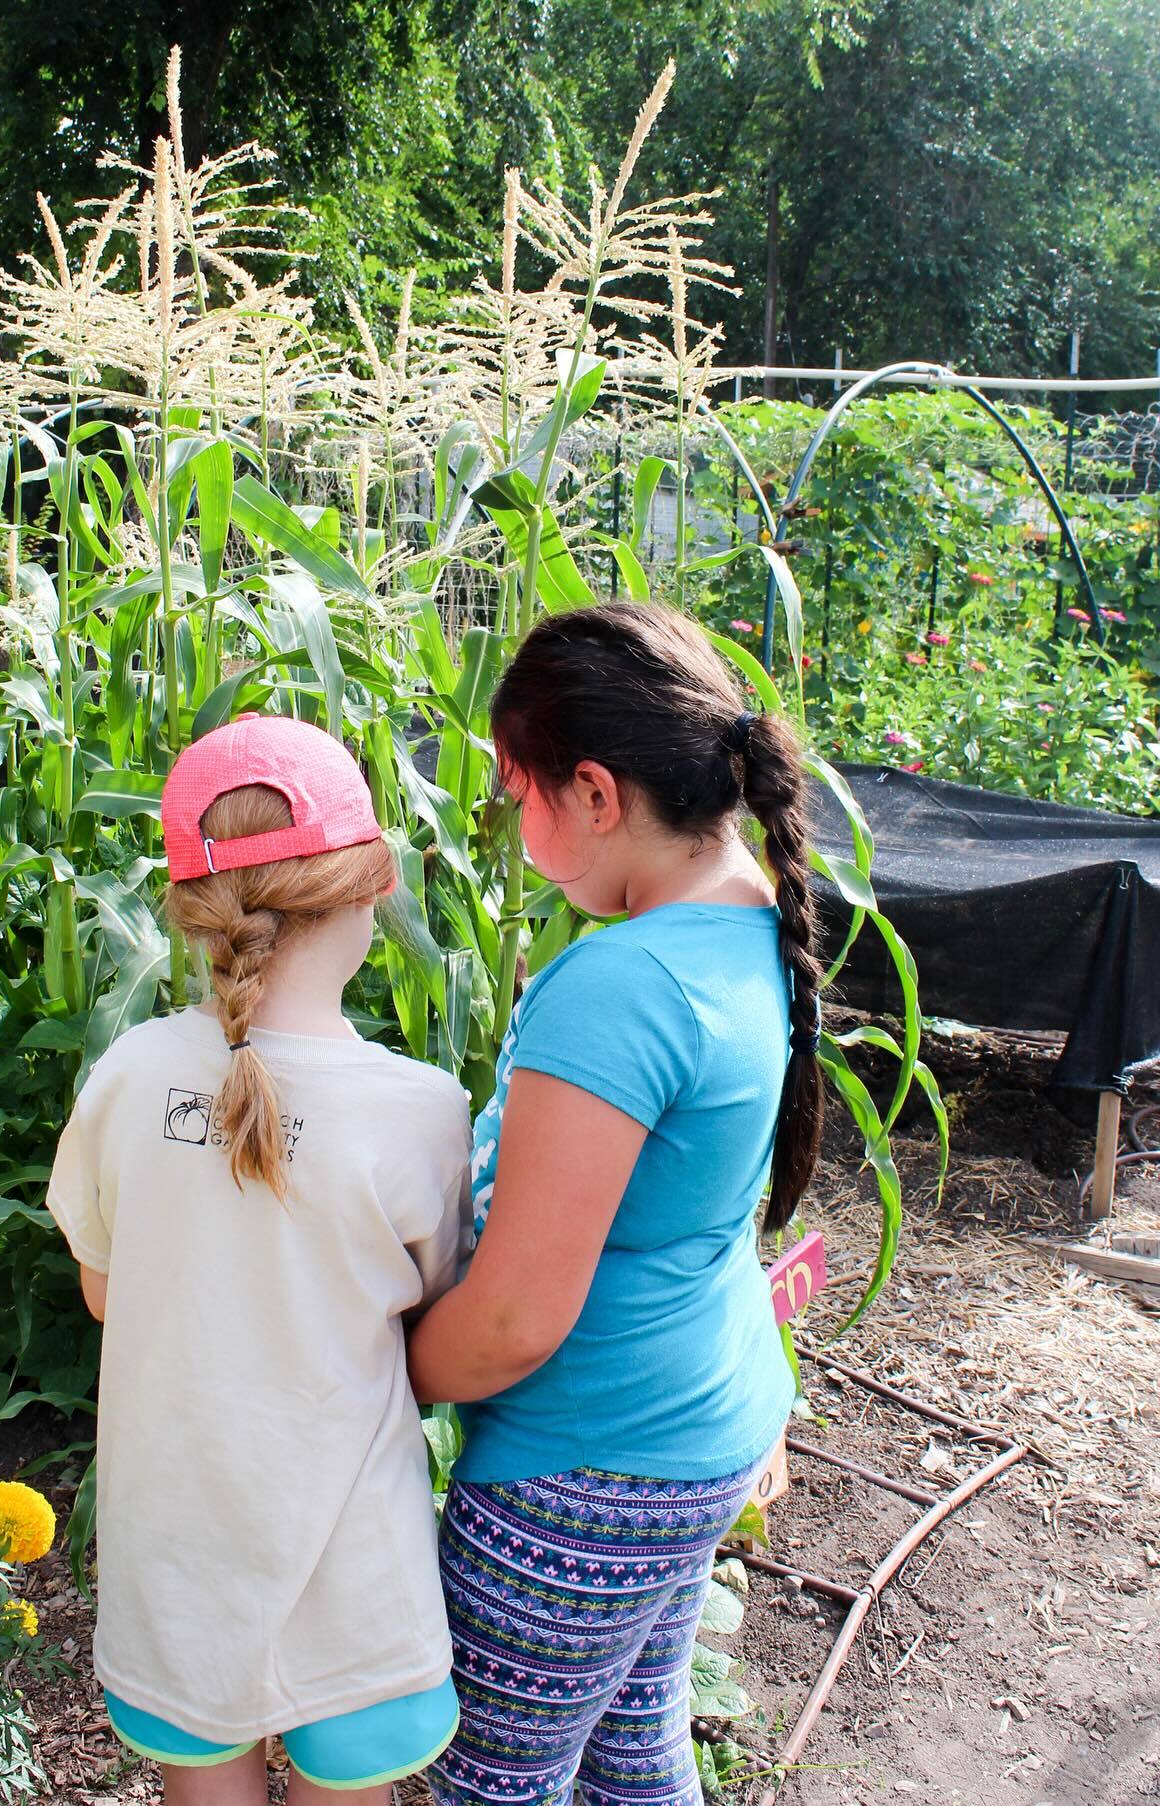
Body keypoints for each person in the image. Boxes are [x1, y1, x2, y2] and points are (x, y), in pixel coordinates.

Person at [407, 602, 819, 1806]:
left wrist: (371, 1374)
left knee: (497, 1782)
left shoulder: (623, 989)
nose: (508, 825)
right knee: (634, 1756)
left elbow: (515, 1321)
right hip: (697, 1426)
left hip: (584, 1472)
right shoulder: (752, 920)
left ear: (593, 792)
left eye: (515, 793)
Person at [46, 713, 472, 1806]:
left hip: (176, 1567)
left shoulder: (128, 1077)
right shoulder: (420, 1113)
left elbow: (106, 1292)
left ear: (192, 910)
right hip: (356, 1578)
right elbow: (432, 1319)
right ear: (373, 884)